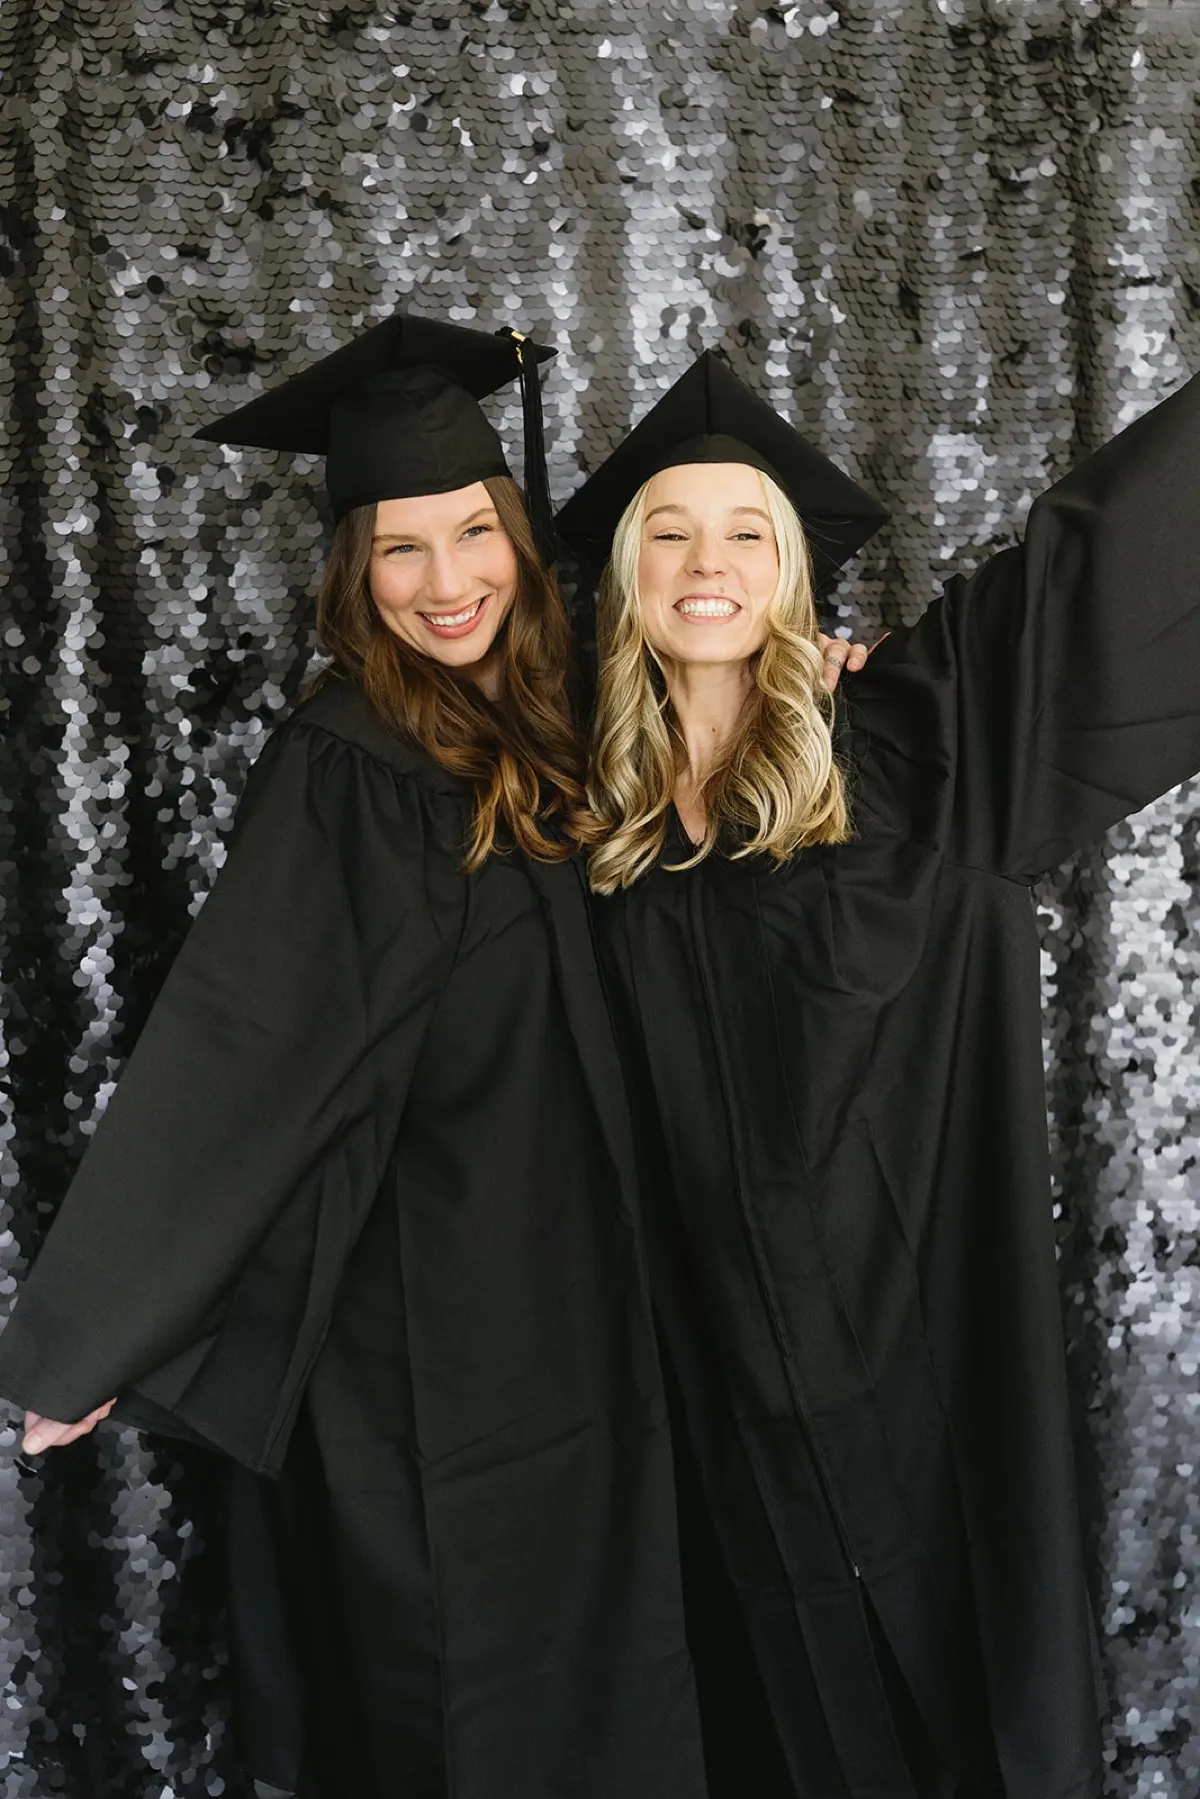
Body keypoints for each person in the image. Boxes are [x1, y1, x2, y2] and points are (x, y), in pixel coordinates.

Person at [0, 314, 716, 1799]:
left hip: (592, 1323)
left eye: (473, 534)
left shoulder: (562, 726)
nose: (447, 584)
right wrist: (96, 1334)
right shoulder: (350, 761)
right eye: (400, 549)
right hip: (435, 1343)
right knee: (464, 1707)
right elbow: (246, 1048)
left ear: (518, 537)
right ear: (351, 568)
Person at [557, 348, 1200, 1799]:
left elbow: (1109, 568)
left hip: (925, 1402)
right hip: (708, 1431)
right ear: (623, 574)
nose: (706, 564)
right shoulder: (572, 842)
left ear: (793, 573)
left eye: (746, 534)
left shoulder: (916, 745)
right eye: (668, 530)